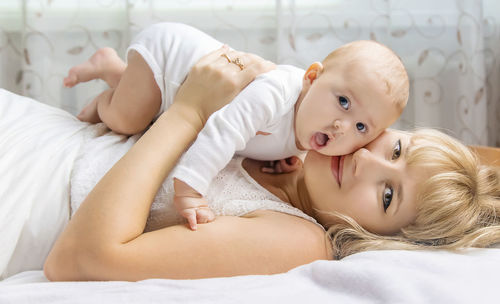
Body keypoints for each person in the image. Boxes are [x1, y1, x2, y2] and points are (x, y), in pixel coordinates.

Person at [1, 46, 497, 282]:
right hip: (36, 131)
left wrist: (189, 112)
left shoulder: (299, 240)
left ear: (380, 238)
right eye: (395, 150)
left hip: (23, 191)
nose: (365, 159)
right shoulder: (301, 140)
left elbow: (80, 261)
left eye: (388, 196)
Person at [63, 22, 410, 230]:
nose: (342, 126)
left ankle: (120, 78)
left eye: (362, 127)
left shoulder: (310, 130)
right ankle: (105, 87)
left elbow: (258, 142)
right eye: (344, 102)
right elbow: (224, 131)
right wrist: (191, 189)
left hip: (182, 91)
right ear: (312, 77)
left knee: (143, 105)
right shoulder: (275, 94)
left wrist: (277, 157)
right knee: (127, 119)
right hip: (169, 61)